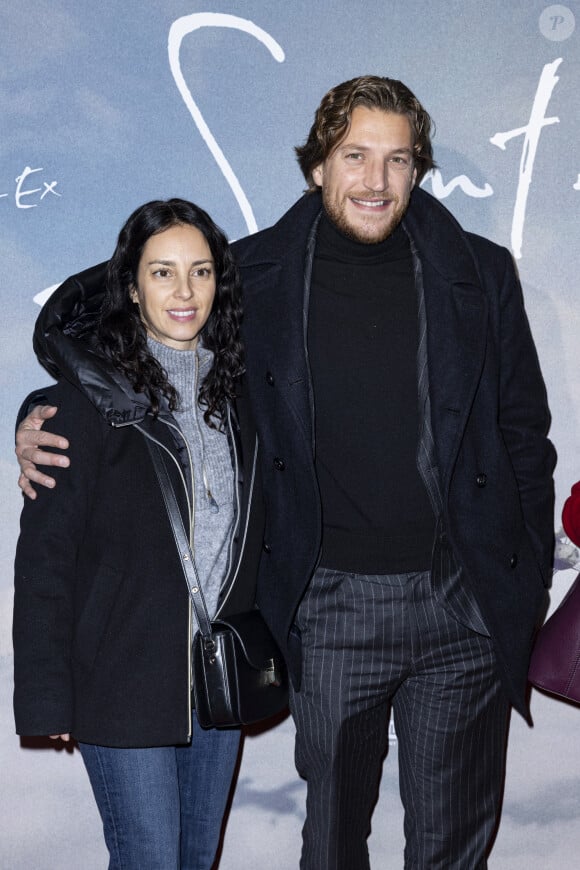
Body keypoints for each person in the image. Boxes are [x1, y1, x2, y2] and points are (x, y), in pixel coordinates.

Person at [16, 77, 556, 869]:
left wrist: (518, 582)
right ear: (317, 166)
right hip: (329, 605)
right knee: (331, 843)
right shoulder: (249, 274)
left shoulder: (482, 274)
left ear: (418, 169)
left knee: (453, 850)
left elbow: (525, 439)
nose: (376, 181)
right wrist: (40, 412)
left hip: (460, 607)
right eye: (355, 156)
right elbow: (103, 321)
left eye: (397, 160)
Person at [13, 198, 263, 870]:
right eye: (162, 273)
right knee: (149, 859)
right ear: (130, 285)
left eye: (201, 272)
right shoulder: (82, 402)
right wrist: (45, 695)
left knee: (194, 859)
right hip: (120, 679)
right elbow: (44, 561)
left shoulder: (245, 399)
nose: (184, 292)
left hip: (218, 682)